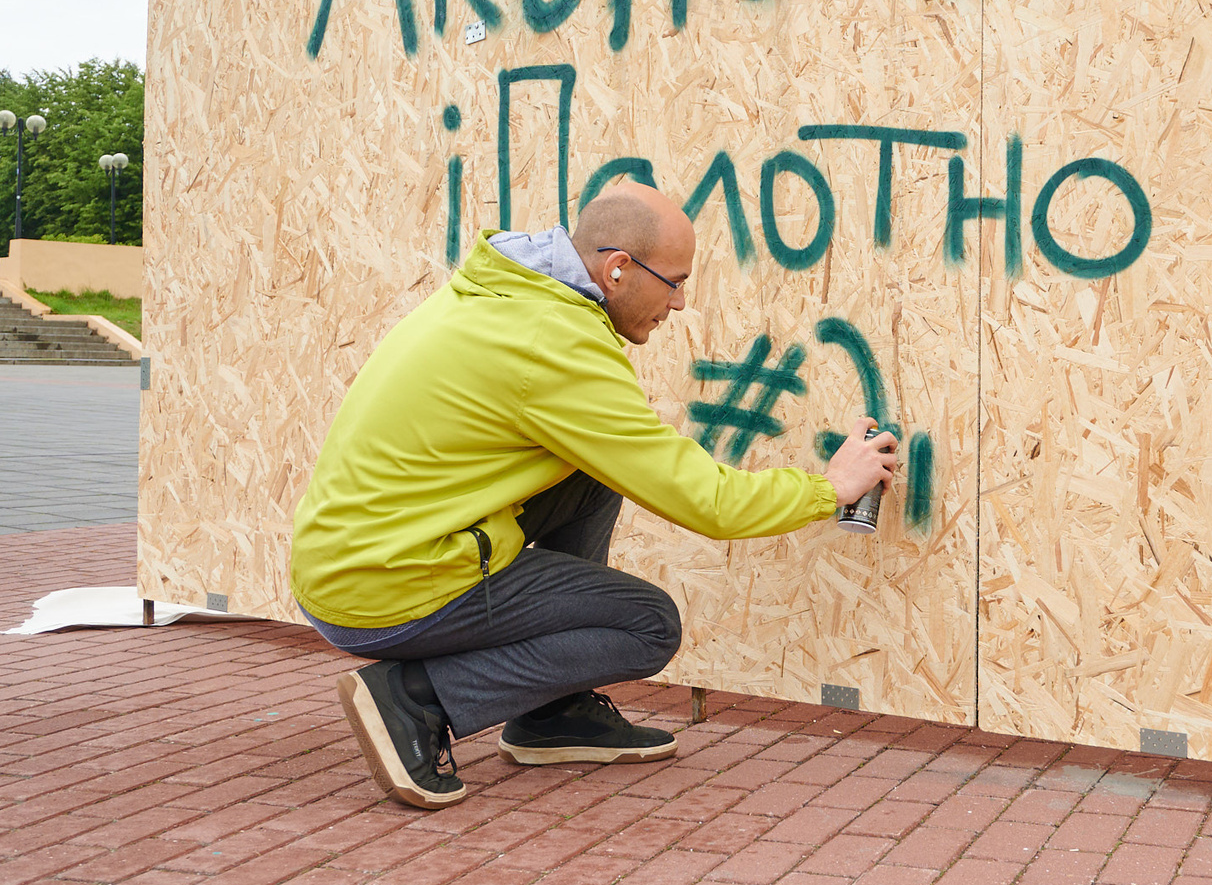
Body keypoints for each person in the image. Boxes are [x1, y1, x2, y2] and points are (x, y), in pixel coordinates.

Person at [293, 181, 898, 809]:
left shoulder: (508, 296)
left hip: (353, 558)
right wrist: (828, 490)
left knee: (593, 472)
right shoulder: (554, 342)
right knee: (645, 625)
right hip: (387, 583)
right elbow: (708, 503)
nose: (682, 302)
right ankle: (417, 700)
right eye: (675, 281)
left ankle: (551, 713)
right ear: (617, 270)